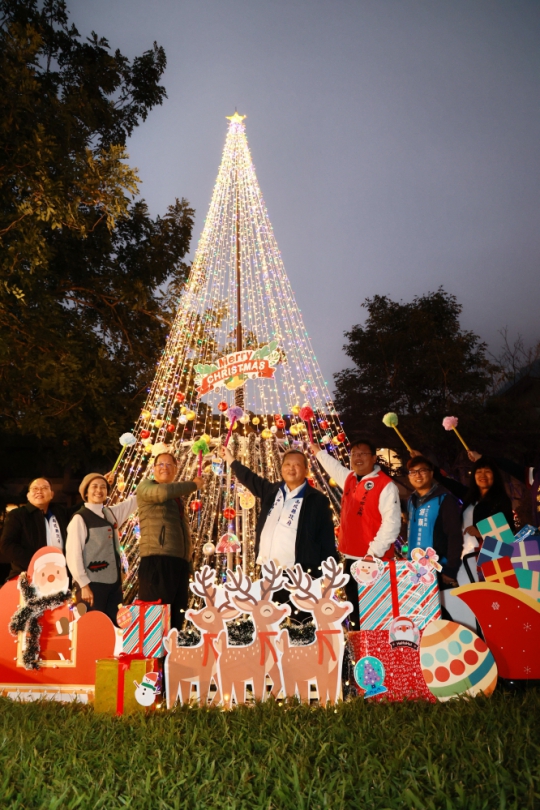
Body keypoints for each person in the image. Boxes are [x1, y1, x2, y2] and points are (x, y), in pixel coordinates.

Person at [220, 445, 338, 619]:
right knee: (269, 623)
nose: (291, 468)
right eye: (287, 464)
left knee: (300, 625)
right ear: (281, 468)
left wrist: (328, 575)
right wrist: (230, 459)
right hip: (268, 573)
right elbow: (250, 478)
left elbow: (327, 539)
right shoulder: (272, 491)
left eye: (297, 465)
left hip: (299, 575)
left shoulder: (317, 500)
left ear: (306, 470)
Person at [310, 438, 401, 627]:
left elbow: (391, 525)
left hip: (375, 561)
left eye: (363, 454)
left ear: (374, 458)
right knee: (356, 612)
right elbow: (334, 467)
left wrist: (372, 554)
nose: (358, 458)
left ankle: (378, 652)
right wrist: (318, 452)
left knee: (376, 614)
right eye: (354, 455)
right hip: (351, 558)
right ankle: (360, 652)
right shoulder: (350, 479)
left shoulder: (386, 485)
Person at [136, 452, 204, 630]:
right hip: (156, 559)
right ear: (154, 469)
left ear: (175, 470)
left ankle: (170, 656)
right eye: (160, 464)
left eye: (169, 465)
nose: (164, 468)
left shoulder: (177, 498)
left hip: (178, 562)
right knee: (155, 616)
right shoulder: (146, 487)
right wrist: (193, 485)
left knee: (176, 615)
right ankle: (153, 657)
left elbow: (185, 531)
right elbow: (162, 493)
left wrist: (188, 564)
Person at [65, 473, 137, 625]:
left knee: (115, 626)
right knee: (93, 626)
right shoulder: (80, 518)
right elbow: (73, 554)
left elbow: (133, 502)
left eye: (103, 487)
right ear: (85, 492)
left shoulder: (110, 513)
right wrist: (83, 584)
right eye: (94, 487)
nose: (99, 490)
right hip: (91, 584)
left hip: (114, 584)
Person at [406, 456, 463, 588]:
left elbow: (454, 535)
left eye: (422, 470)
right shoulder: (411, 500)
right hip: (414, 569)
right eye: (413, 472)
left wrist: (451, 569)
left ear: (431, 473)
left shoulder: (444, 499)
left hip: (438, 568)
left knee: (440, 608)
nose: (417, 475)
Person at [0, 478, 69, 581]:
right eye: (35, 488)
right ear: (28, 495)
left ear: (52, 494)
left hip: (59, 576)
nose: (39, 491)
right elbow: (6, 545)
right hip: (28, 576)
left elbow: (84, 506)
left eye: (44, 488)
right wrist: (36, 562)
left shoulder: (60, 513)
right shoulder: (18, 515)